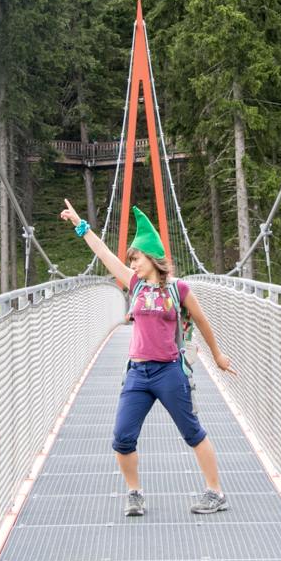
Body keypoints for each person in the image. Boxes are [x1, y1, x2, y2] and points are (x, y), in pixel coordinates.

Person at [61, 199, 237, 517]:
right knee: (122, 437)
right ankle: (135, 493)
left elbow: (202, 321)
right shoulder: (135, 284)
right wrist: (80, 225)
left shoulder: (178, 290)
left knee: (193, 432)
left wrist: (218, 355)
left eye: (137, 258)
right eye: (132, 259)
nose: (134, 264)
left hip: (169, 372)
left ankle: (216, 493)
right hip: (138, 374)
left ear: (153, 258)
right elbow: (103, 254)